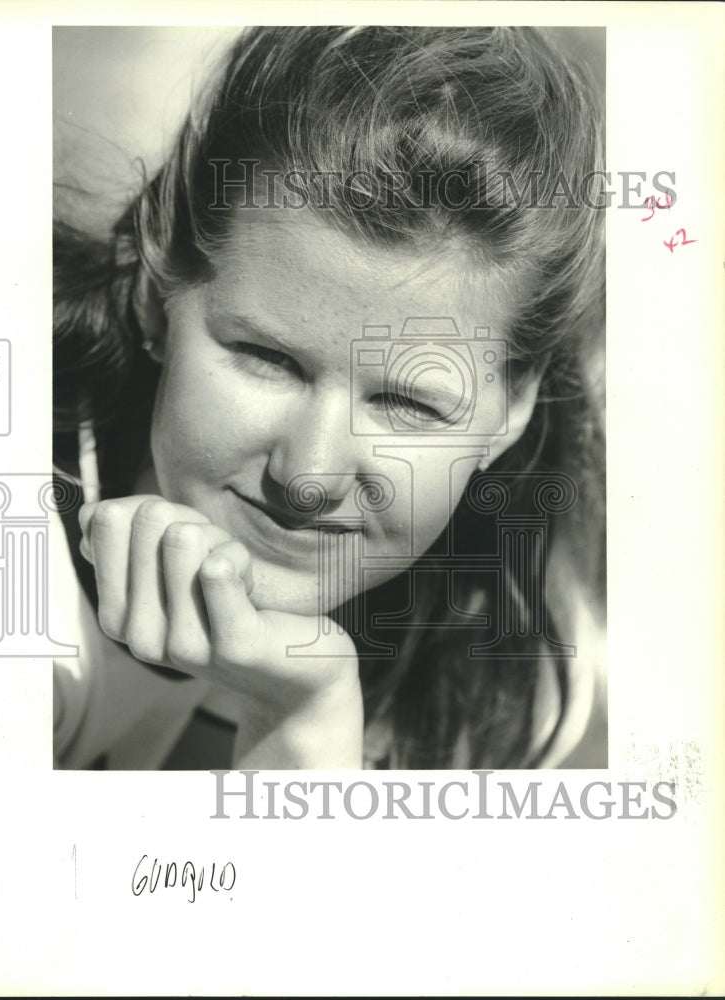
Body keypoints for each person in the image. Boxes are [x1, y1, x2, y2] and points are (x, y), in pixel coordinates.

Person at [51, 25, 606, 771]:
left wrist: (300, 720)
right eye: (267, 358)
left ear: (508, 413)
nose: (307, 475)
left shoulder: (508, 663)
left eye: (407, 404)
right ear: (158, 300)